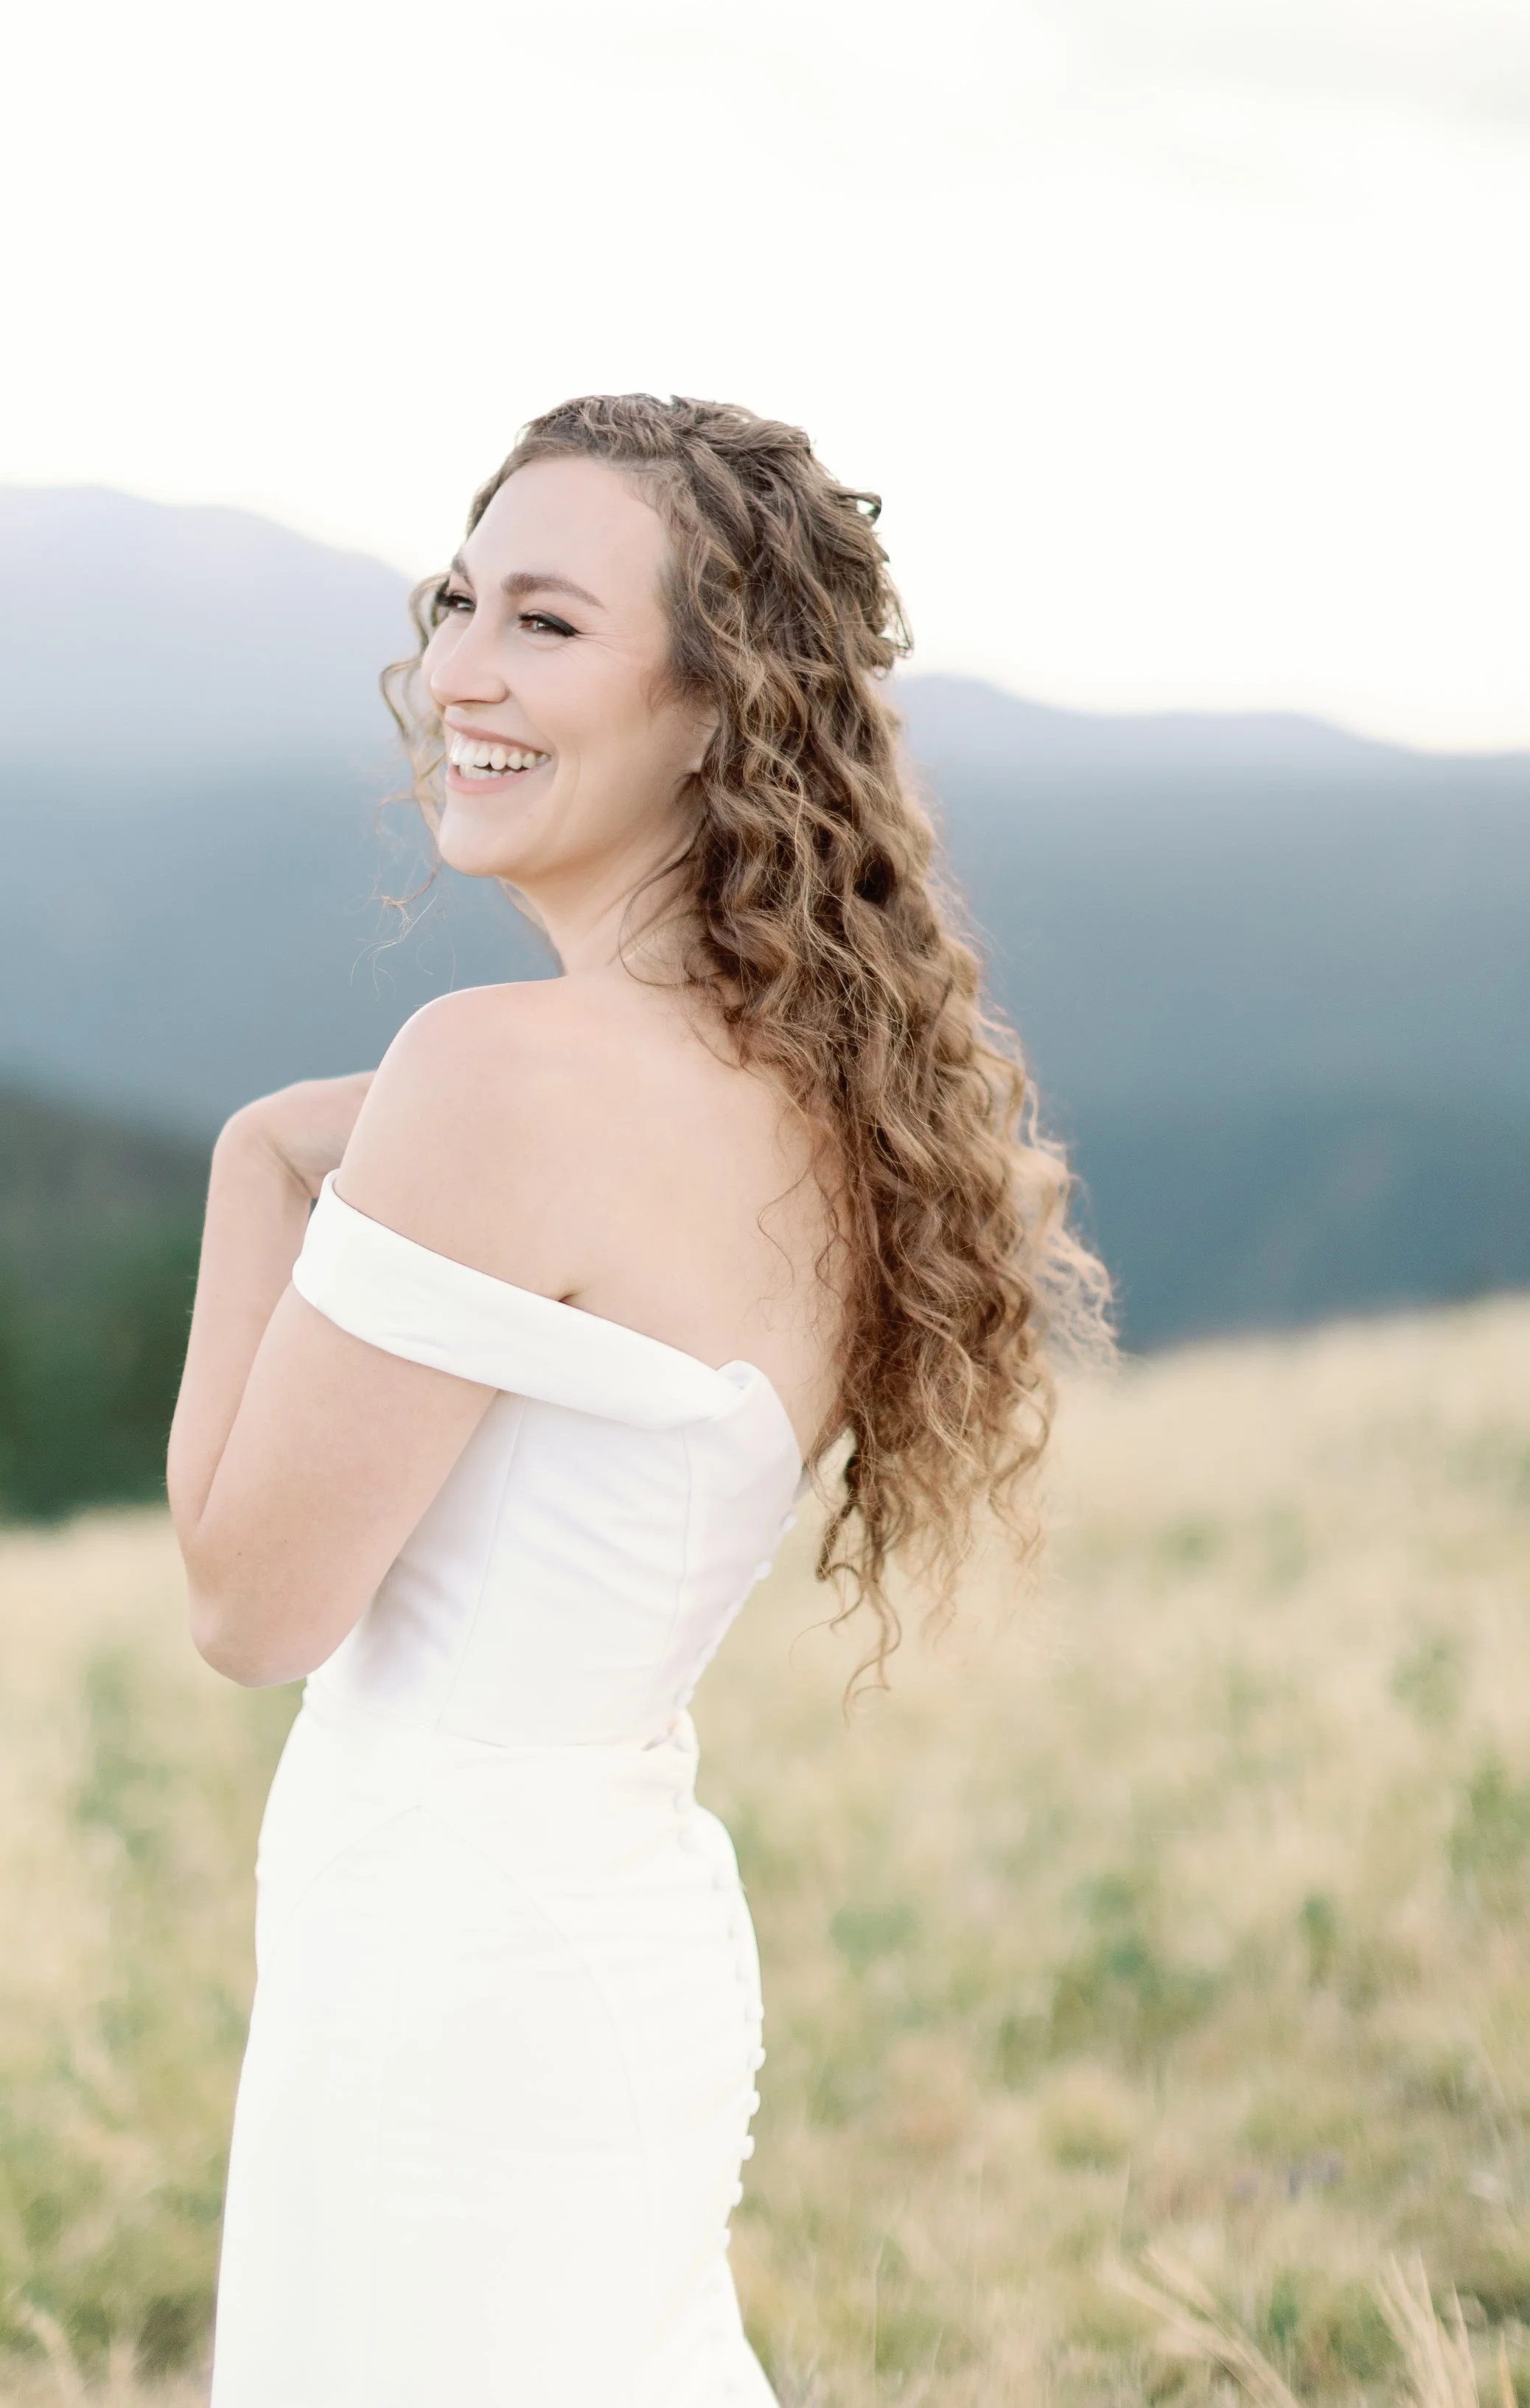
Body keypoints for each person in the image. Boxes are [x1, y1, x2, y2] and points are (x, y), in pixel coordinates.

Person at [167, 394, 1104, 2407]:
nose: (460, 670)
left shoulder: (499, 1071)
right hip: (608, 1935)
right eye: (456, 599)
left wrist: (260, 1160)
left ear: (711, 708)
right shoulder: (820, 1103)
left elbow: (251, 1605)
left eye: (547, 621)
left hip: (453, 1986)